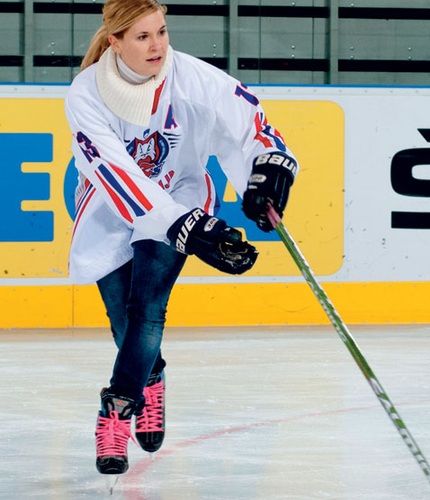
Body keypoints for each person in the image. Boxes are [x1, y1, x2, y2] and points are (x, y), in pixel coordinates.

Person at [64, 0, 298, 475]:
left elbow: (251, 123)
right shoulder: (85, 93)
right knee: (120, 317)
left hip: (180, 195)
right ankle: (153, 377)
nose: (157, 46)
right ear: (115, 41)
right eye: (143, 37)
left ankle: (116, 412)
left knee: (147, 308)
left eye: (162, 32)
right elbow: (115, 171)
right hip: (112, 206)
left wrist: (267, 168)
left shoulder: (193, 79)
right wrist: (183, 226)